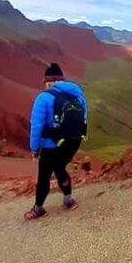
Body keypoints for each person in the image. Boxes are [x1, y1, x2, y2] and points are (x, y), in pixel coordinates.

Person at [24, 62, 88, 220]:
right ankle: (69, 200)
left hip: (51, 146)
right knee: (60, 168)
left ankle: (38, 209)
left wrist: (34, 148)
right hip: (73, 142)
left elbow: (36, 126)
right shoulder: (78, 96)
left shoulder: (43, 98)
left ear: (48, 82)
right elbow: (84, 118)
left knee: (44, 176)